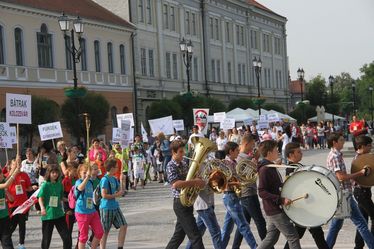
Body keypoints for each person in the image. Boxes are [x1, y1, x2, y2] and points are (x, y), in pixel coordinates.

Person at [325, 132, 374, 248]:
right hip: (343, 193)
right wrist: (360, 173)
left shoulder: (335, 154)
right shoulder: (335, 156)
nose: (343, 142)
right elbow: (341, 177)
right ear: (334, 142)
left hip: (341, 193)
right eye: (341, 140)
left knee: (336, 225)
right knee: (361, 223)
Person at [283, 142, 329, 249]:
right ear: (291, 155)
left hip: (305, 207)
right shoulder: (292, 169)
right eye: (298, 152)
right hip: (304, 207)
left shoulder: (296, 167)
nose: (301, 153)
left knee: (304, 233)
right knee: (316, 234)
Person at [257, 140, 301, 249]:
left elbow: (275, 186)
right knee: (293, 237)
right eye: (276, 150)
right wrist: (281, 199)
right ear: (269, 153)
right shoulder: (265, 169)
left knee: (271, 239)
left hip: (274, 208)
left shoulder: (270, 167)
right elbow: (262, 191)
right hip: (274, 209)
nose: (278, 152)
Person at [165, 140, 206, 249]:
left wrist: (197, 178)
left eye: (183, 151)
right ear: (173, 152)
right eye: (180, 152)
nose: (183, 154)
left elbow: (189, 179)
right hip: (180, 203)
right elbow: (175, 184)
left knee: (179, 236)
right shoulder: (170, 165)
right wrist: (194, 182)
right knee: (195, 236)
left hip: (187, 202)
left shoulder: (183, 163)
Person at [232, 135, 267, 249]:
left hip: (247, 193)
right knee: (260, 222)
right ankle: (268, 246)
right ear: (246, 144)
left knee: (244, 224)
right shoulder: (243, 158)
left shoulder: (244, 157)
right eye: (252, 145)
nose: (253, 147)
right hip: (248, 193)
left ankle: (235, 246)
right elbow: (249, 175)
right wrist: (255, 160)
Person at [220, 142, 257, 249]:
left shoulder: (234, 162)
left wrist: (252, 166)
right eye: (236, 150)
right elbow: (223, 183)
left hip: (234, 196)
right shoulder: (225, 163)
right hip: (230, 196)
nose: (238, 152)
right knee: (243, 226)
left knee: (227, 229)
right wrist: (238, 183)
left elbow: (242, 176)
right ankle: (255, 247)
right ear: (231, 151)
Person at [38, 164, 72, 249]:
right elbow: (40, 198)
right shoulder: (45, 185)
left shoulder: (60, 184)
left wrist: (70, 200)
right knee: (46, 240)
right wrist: (42, 208)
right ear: (49, 173)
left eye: (56, 172)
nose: (55, 174)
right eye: (53, 172)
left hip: (59, 214)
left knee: (67, 237)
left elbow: (61, 198)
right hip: (48, 215)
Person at [351, 135, 374, 249]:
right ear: (361, 146)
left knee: (362, 220)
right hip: (361, 192)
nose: (371, 147)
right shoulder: (358, 160)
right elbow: (357, 177)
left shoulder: (365, 157)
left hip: (364, 192)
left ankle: (358, 245)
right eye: (369, 145)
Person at [99, 158, 127, 249]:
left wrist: (122, 181)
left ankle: (120, 247)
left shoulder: (114, 178)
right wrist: (116, 194)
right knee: (105, 230)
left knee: (124, 225)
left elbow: (121, 191)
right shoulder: (105, 179)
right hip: (106, 207)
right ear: (111, 168)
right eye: (116, 167)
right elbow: (104, 195)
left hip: (115, 206)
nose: (117, 168)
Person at [74, 164, 104, 249]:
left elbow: (97, 175)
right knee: (83, 237)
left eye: (87, 172)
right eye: (84, 173)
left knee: (99, 232)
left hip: (92, 211)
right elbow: (79, 189)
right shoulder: (78, 182)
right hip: (82, 212)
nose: (86, 174)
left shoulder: (90, 182)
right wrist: (87, 178)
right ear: (79, 173)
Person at [7, 158, 34, 249]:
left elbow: (28, 188)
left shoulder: (24, 175)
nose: (17, 165)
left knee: (22, 224)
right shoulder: (7, 176)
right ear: (11, 165)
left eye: (19, 163)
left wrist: (32, 188)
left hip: (23, 204)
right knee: (12, 225)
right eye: (15, 164)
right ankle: (6, 240)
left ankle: (21, 244)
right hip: (12, 205)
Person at [0, 161, 20, 249]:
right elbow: (7, 183)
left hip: (4, 218)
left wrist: (16, 164)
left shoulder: (2, 183)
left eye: (1, 173)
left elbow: (9, 175)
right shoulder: (3, 185)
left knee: (7, 242)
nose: (2, 175)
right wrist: (16, 172)